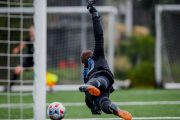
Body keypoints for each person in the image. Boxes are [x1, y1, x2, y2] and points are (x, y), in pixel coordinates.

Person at [79, 1, 132, 120]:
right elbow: (99, 35)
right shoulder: (97, 55)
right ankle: (115, 109)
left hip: (97, 82)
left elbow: (87, 100)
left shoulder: (85, 72)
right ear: (91, 55)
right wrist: (95, 14)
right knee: (104, 102)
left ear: (83, 63)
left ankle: (91, 88)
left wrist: (93, 107)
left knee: (95, 91)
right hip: (106, 81)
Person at [4, 25, 35, 91]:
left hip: (38, 61)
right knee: (17, 69)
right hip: (29, 61)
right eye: (29, 31)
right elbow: (22, 45)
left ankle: (50, 86)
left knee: (43, 73)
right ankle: (9, 86)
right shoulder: (28, 39)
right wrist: (17, 49)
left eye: (32, 31)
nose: (30, 32)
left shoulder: (40, 40)